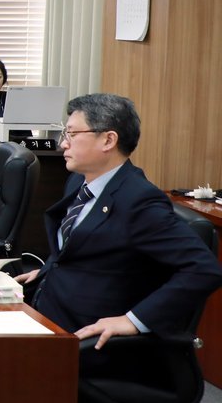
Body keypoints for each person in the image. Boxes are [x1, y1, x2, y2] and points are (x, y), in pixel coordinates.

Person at [16, 94, 222, 352]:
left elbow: (203, 269)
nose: (63, 143)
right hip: (48, 310)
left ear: (108, 140)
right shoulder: (80, 180)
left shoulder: (139, 200)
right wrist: (48, 271)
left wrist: (133, 320)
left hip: (85, 338)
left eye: (72, 134)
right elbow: (78, 244)